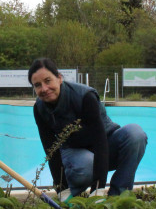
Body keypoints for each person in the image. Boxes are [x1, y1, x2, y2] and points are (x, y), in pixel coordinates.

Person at [28, 58, 147, 199]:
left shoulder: (85, 96)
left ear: (59, 78)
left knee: (136, 134)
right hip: (77, 156)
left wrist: (98, 189)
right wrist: (62, 190)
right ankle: (75, 192)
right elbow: (51, 149)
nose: (44, 89)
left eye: (48, 81)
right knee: (87, 164)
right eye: (38, 85)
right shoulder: (39, 109)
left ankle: (119, 195)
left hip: (105, 146)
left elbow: (100, 140)